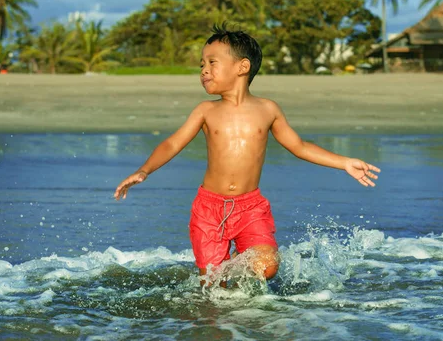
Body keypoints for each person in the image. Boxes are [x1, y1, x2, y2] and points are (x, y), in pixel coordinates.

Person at [114, 23, 381, 285]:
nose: (204, 70)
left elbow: (299, 146)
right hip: (209, 209)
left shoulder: (268, 109)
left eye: (212, 63)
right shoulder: (206, 110)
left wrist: (344, 162)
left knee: (266, 267)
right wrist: (144, 170)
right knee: (212, 287)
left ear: (243, 67)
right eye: (202, 65)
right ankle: (219, 292)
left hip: (250, 208)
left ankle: (235, 288)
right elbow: (173, 143)